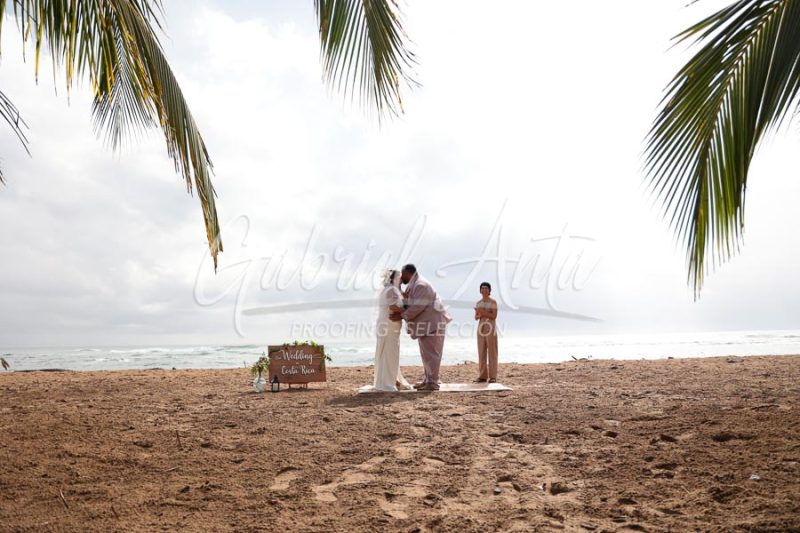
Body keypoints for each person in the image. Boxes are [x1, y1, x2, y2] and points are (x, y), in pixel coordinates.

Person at [390, 264, 452, 391]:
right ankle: (428, 380)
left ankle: (433, 383)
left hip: (433, 323)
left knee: (432, 354)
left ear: (408, 273)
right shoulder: (415, 284)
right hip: (427, 324)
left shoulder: (420, 285)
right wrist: (398, 287)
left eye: (403, 274)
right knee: (426, 354)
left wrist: (402, 315)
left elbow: (418, 307)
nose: (401, 277)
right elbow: (407, 300)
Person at [370, 269, 412, 391]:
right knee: (390, 352)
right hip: (389, 324)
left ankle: (392, 379)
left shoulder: (389, 290)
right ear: (393, 279)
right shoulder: (392, 290)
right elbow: (393, 306)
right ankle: (388, 382)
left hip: (386, 323)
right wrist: (407, 311)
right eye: (399, 277)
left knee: (387, 351)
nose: (401, 279)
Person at [474, 281, 499, 383]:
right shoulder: (478, 303)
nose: (484, 290)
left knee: (492, 351)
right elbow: (476, 317)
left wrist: (482, 312)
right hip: (481, 327)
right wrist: (479, 314)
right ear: (480, 290)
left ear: (489, 290)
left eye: (486, 288)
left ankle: (493, 376)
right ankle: (483, 376)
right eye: (482, 288)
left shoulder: (493, 302)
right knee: (481, 351)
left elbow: (494, 316)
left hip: (490, 327)